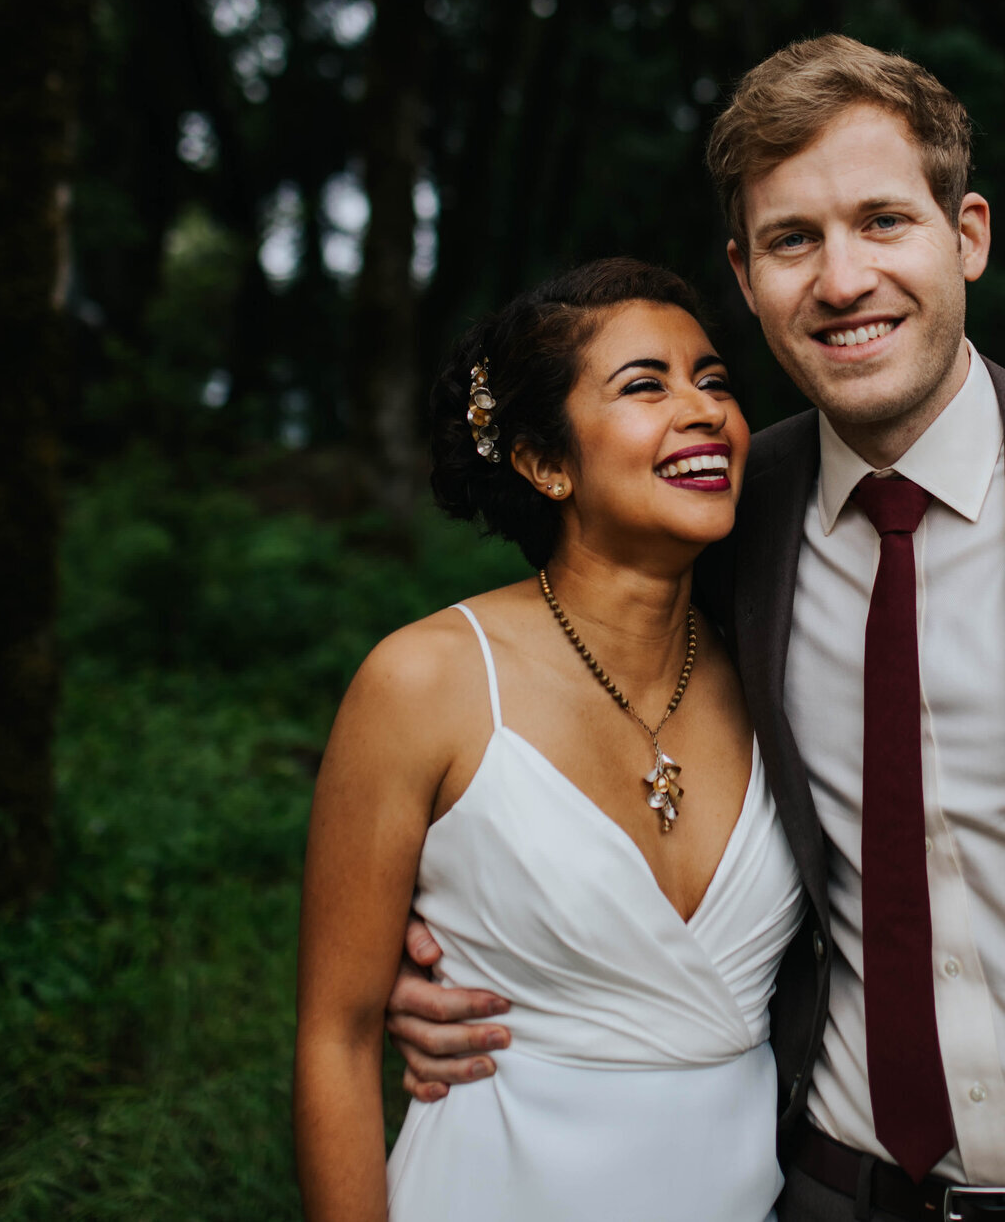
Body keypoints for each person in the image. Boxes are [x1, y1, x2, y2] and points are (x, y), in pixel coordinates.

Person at [387, 36, 1005, 1222]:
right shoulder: (725, 520)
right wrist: (460, 958)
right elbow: (589, 751)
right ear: (746, 272)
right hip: (827, 1187)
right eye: (792, 240)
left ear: (964, 233)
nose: (841, 278)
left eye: (882, 221)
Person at [294, 258, 806, 1221]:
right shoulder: (426, 680)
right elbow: (336, 1036)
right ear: (543, 461)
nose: (703, 410)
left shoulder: (778, 670)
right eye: (645, 384)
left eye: (715, 380)